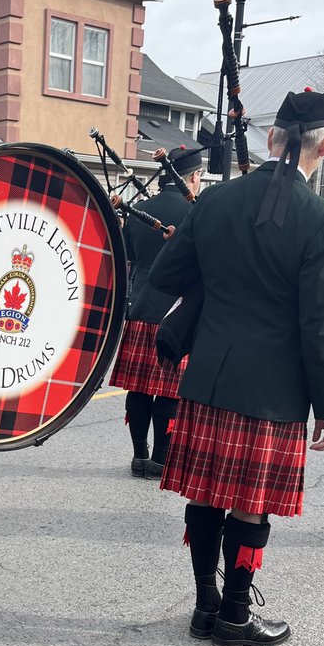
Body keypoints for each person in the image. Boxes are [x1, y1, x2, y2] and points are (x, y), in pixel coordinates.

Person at [150, 89, 324, 646]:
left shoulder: (212, 202)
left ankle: (205, 608)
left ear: (274, 138)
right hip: (273, 391)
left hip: (209, 374)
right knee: (249, 502)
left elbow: (167, 276)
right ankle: (235, 614)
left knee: (206, 493)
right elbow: (321, 326)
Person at [110, 146, 203, 478]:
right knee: (168, 391)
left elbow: (131, 256)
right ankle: (161, 460)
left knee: (139, 387)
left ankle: (139, 456)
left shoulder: (141, 209)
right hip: (176, 313)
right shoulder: (196, 212)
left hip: (142, 305)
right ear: (193, 177)